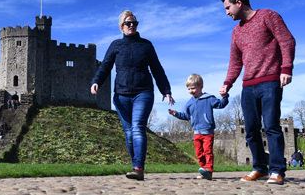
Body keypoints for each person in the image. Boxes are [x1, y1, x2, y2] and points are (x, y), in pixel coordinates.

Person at [219, 0, 295, 185]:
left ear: (238, 2)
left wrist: (286, 68)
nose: (226, 12)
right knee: (251, 130)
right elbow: (235, 62)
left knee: (271, 126)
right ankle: (259, 168)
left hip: (270, 81)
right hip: (248, 86)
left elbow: (287, 41)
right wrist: (228, 83)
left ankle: (277, 170)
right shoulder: (236, 32)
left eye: (227, 7)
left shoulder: (268, 16)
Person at [91, 10, 175, 181]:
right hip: (121, 95)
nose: (131, 26)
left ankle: (139, 168)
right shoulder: (115, 45)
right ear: (121, 27)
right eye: (127, 23)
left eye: (134, 23)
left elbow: (157, 69)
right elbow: (105, 66)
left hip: (143, 93)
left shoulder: (146, 45)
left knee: (137, 128)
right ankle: (135, 164)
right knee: (129, 133)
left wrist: (166, 90)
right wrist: (96, 81)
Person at [168, 74, 229, 180]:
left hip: (207, 131)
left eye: (193, 88)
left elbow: (221, 105)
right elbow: (186, 116)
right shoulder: (189, 103)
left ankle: (209, 170)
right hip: (196, 132)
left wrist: (224, 97)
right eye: (189, 89)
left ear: (200, 86)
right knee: (199, 153)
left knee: (207, 151)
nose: (191, 91)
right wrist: (176, 114)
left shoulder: (209, 98)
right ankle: (203, 169)